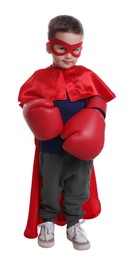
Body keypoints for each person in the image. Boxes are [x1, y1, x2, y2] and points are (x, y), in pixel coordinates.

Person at [18, 15, 115, 250]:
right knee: (50, 187)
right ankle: (48, 221)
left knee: (79, 187)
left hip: (82, 149)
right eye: (62, 48)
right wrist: (38, 115)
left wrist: (96, 115)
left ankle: (74, 223)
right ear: (49, 47)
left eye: (76, 49)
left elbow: (99, 98)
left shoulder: (86, 76)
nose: (69, 55)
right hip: (51, 149)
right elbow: (26, 102)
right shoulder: (39, 78)